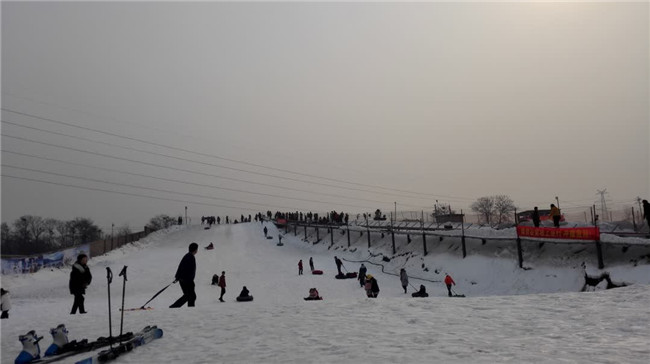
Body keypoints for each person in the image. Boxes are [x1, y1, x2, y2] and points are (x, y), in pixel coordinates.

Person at [170, 242, 198, 308]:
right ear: (195, 250)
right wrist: (189, 280)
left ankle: (190, 308)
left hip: (184, 279)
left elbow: (181, 267)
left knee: (191, 296)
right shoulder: (190, 257)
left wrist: (178, 277)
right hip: (186, 280)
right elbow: (185, 269)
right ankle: (174, 307)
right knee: (189, 295)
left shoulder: (188, 256)